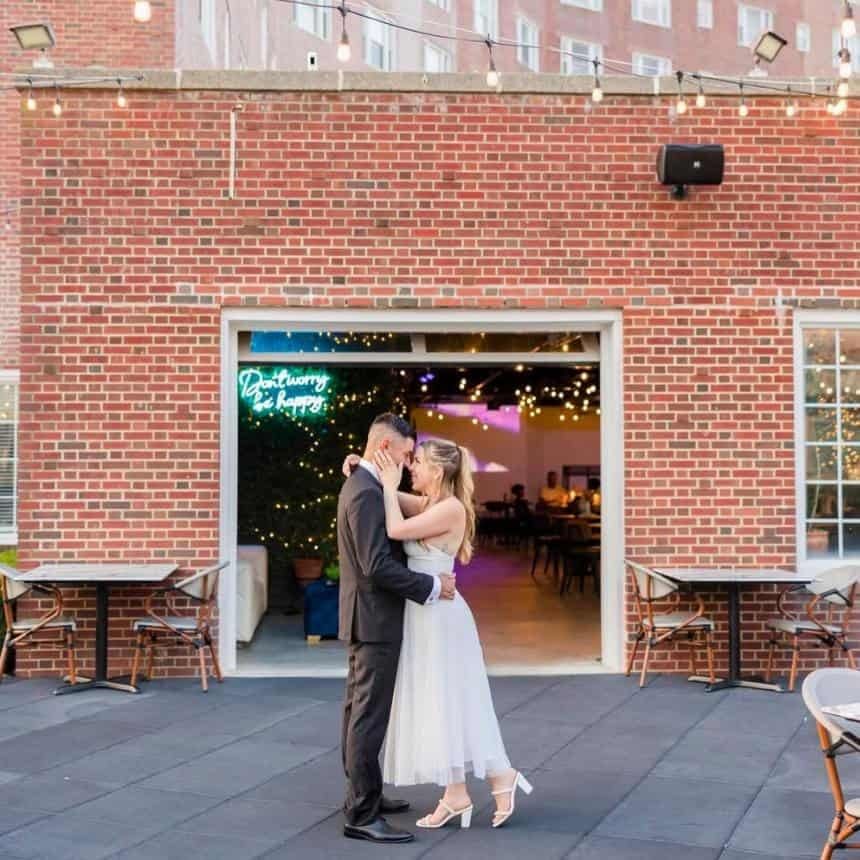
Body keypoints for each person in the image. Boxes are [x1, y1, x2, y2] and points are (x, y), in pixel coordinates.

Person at [345, 437, 533, 832]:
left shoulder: (449, 508)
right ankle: (457, 793)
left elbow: (394, 527)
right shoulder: (431, 504)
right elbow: (387, 496)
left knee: (450, 699)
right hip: (425, 615)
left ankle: (500, 775)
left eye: (418, 463)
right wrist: (368, 470)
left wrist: (388, 479)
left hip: (442, 619)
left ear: (438, 470)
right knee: (440, 701)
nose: (412, 467)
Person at [338, 414, 457, 845]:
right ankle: (361, 814)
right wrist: (431, 586)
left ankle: (363, 794)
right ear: (386, 448)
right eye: (407, 454)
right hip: (374, 619)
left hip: (366, 616)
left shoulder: (365, 484)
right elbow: (377, 565)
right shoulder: (367, 493)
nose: (410, 464)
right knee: (368, 717)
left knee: (359, 711)